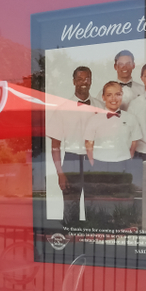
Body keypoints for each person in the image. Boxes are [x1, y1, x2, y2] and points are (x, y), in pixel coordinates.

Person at [47, 66, 105, 226]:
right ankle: (71, 246)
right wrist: (60, 173)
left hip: (96, 160)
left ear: (91, 80)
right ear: (74, 82)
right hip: (72, 160)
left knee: (95, 208)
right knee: (70, 210)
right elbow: (55, 146)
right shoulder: (62, 109)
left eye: (87, 79)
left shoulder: (101, 107)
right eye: (80, 79)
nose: (84, 83)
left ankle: (93, 246)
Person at [84, 81, 145, 228]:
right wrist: (94, 164)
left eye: (117, 94)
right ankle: (100, 231)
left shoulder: (130, 118)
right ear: (103, 98)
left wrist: (126, 160)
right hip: (99, 165)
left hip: (122, 164)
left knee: (122, 202)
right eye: (109, 95)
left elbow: (134, 144)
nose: (113, 98)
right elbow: (89, 145)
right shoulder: (94, 119)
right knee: (98, 201)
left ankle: (121, 231)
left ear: (122, 96)